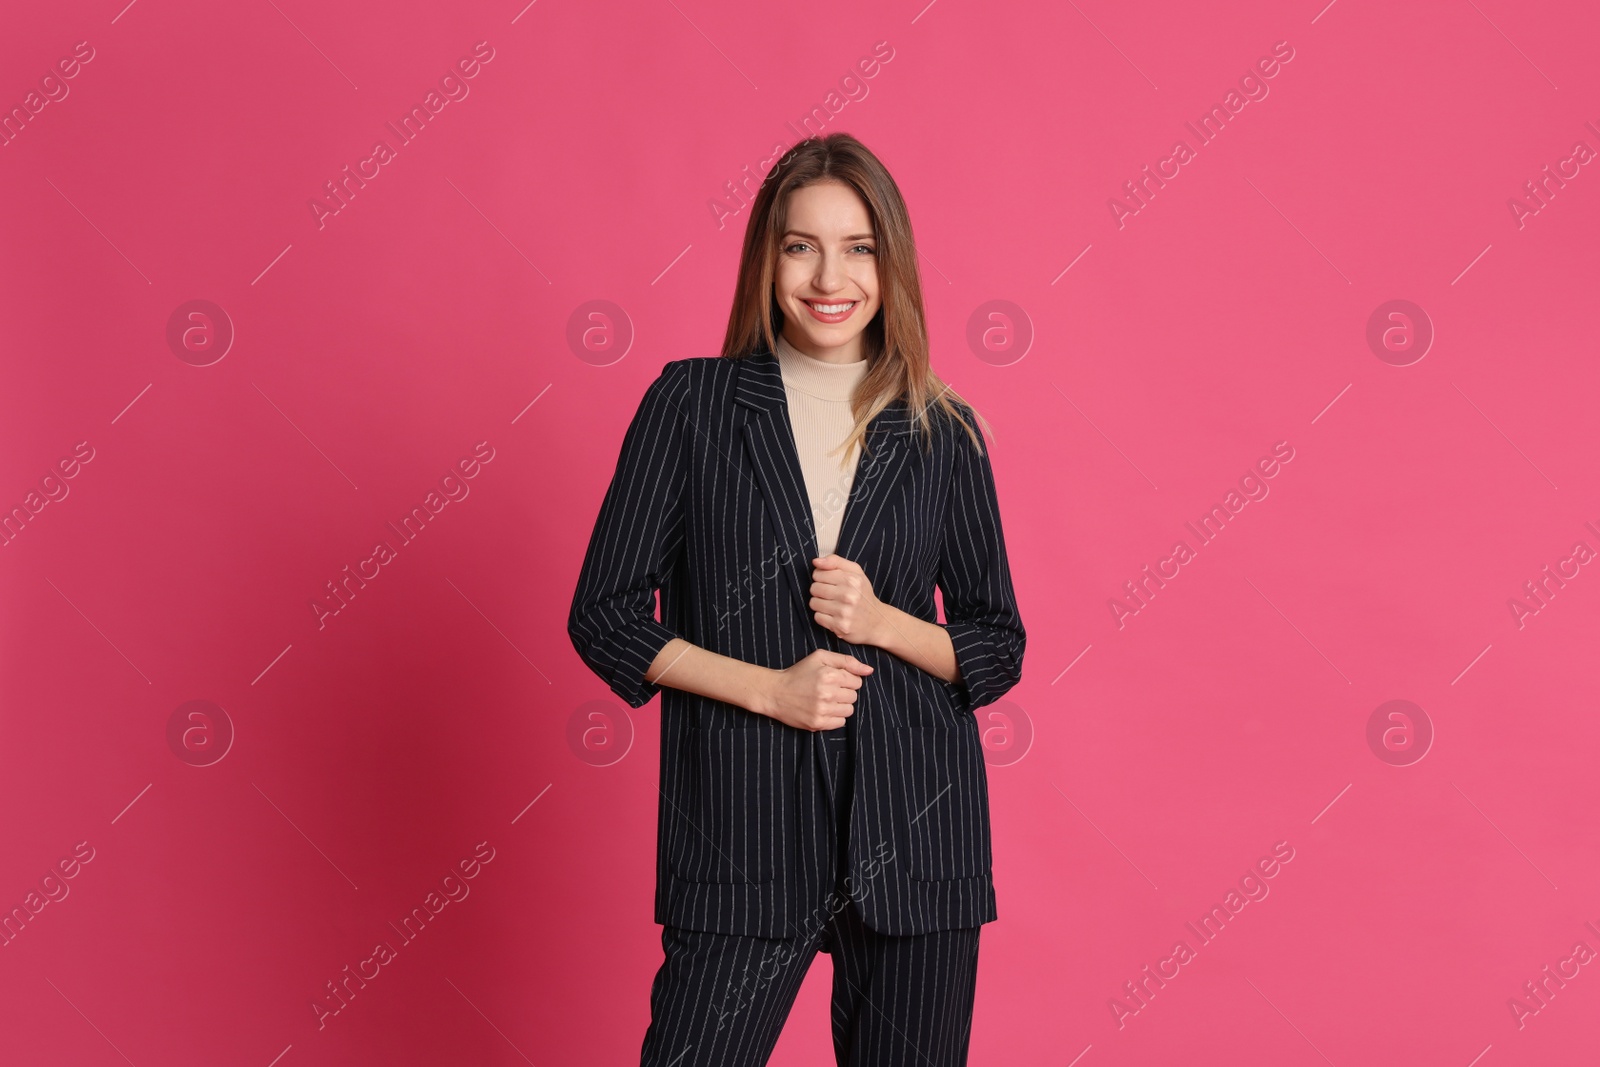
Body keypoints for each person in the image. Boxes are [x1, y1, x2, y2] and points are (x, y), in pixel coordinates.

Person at [568, 131, 1025, 1067]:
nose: (831, 275)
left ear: (889, 262)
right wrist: (769, 689)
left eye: (858, 246)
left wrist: (886, 622)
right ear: (766, 259)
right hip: (740, 837)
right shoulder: (690, 406)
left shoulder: (945, 430)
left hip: (919, 839)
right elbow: (604, 614)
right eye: (800, 244)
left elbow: (996, 643)